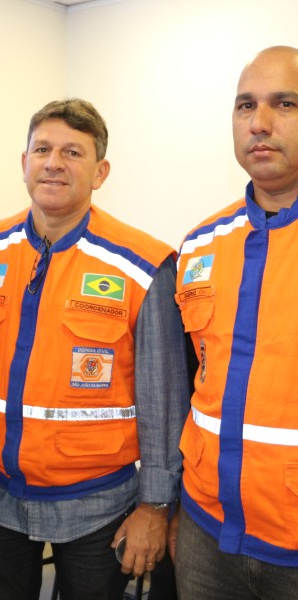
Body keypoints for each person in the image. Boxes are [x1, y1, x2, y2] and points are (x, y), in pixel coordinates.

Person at [0, 98, 189, 600]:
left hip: (98, 506)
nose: (54, 162)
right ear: (24, 163)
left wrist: (155, 507)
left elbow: (164, 404)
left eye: (73, 153)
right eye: (43, 149)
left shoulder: (142, 266)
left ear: (100, 172)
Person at [172, 45, 298, 599]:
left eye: (284, 104)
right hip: (207, 525)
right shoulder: (199, 244)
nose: (260, 123)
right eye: (246, 106)